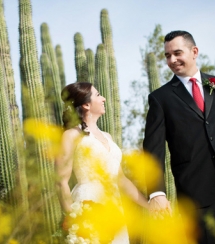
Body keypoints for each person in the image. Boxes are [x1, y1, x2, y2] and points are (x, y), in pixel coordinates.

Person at [143, 30, 215, 243]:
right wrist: (156, 193)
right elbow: (153, 150)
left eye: (177, 53)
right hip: (196, 197)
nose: (172, 60)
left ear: (194, 51)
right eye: (167, 55)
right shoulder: (160, 98)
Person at [56, 82, 149, 243]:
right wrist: (74, 220)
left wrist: (148, 205)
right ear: (86, 104)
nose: (104, 99)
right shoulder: (71, 136)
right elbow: (61, 182)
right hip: (88, 206)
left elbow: (121, 179)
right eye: (98, 95)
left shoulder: (108, 137)